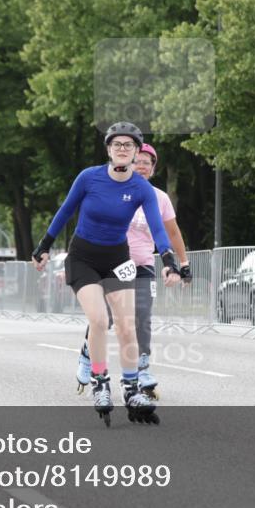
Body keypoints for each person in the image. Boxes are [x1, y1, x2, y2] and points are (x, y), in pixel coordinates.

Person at [32, 122, 181, 426]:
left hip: (117, 258)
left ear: (137, 151)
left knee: (127, 325)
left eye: (129, 145)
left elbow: (157, 225)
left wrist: (168, 258)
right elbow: (65, 210)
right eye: (117, 145)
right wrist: (44, 244)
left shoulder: (141, 188)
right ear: (109, 150)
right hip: (83, 257)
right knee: (99, 320)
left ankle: (131, 388)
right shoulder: (89, 177)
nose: (123, 149)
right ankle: (100, 382)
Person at [74, 143, 192, 398]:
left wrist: (181, 263)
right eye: (137, 161)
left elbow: (171, 232)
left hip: (143, 265)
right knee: (104, 318)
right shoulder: (111, 190)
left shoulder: (158, 197)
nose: (141, 166)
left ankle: (142, 368)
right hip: (113, 264)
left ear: (153, 169)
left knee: (141, 317)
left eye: (147, 163)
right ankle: (87, 353)